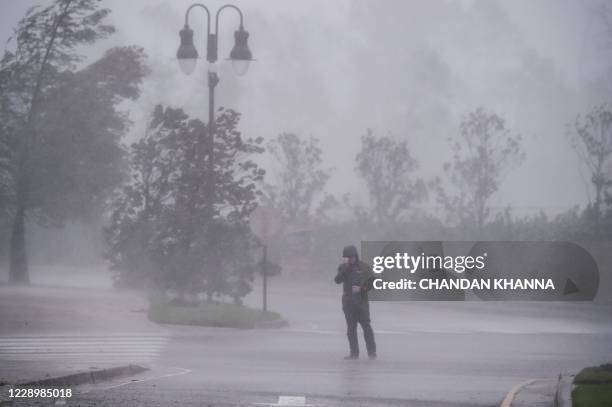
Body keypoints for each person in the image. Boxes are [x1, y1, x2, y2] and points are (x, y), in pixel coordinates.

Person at [334, 245, 377, 360]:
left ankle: (372, 353)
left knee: (366, 327)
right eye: (347, 257)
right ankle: (354, 353)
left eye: (351, 257)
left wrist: (362, 288)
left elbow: (373, 282)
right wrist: (346, 269)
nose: (350, 259)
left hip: (362, 303)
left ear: (355, 256)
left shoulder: (364, 267)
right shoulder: (343, 267)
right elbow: (337, 280)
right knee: (351, 329)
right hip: (348, 304)